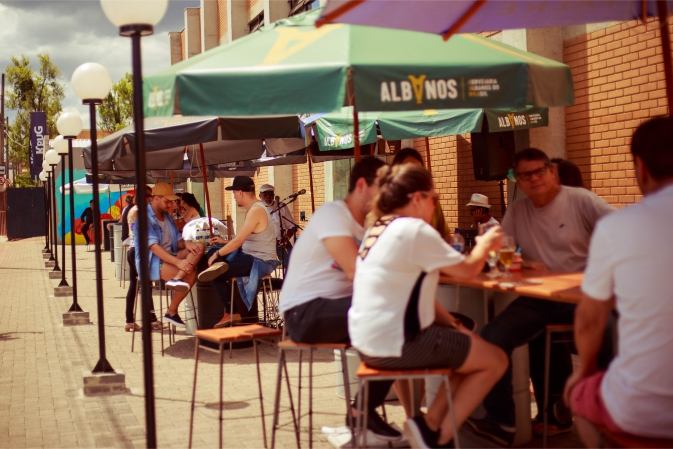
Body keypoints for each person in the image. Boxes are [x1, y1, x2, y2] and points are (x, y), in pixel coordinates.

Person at [349, 164, 507, 448]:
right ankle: (437, 436)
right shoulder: (414, 229)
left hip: (367, 342)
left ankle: (428, 425)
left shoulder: (379, 228)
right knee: (496, 360)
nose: (436, 205)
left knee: (467, 342)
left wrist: (455, 326)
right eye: (434, 198)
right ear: (417, 198)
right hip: (401, 343)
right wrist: (485, 244)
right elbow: (469, 270)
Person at [468, 148, 616, 445]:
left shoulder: (579, 200)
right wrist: (522, 259)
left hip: (582, 298)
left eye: (539, 171)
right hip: (540, 300)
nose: (534, 178)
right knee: (491, 336)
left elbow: (622, 229)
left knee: (610, 333)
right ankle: (503, 421)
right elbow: (500, 252)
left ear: (551, 172)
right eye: (525, 175)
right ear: (518, 182)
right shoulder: (518, 210)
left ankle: (611, 414)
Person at [563, 117, 673, 445]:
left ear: (640, 167)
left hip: (640, 412)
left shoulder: (616, 228)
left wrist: (586, 370)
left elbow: (590, 320)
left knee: (579, 394)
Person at [279, 157, 404, 441]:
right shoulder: (333, 214)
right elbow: (358, 273)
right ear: (362, 185)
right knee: (396, 320)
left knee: (400, 325)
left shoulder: (366, 228)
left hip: (337, 310)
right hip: (304, 312)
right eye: (384, 189)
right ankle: (362, 415)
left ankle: (364, 413)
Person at [198, 176, 279, 328]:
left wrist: (218, 254)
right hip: (249, 254)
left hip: (260, 260)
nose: (234, 197)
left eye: (234, 193)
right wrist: (222, 244)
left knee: (215, 272)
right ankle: (220, 264)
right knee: (212, 253)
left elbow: (239, 241)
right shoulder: (255, 209)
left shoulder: (256, 210)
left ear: (240, 192)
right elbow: (245, 240)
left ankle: (232, 312)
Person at [134, 182, 205, 327]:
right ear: (156, 199)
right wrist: (179, 263)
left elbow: (178, 241)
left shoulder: (168, 218)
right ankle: (171, 312)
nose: (170, 205)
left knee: (199, 245)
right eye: (167, 202)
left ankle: (177, 278)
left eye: (171, 202)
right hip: (152, 262)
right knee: (190, 274)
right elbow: (154, 247)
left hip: (171, 256)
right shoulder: (144, 218)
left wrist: (187, 244)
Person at [124, 187, 165, 331]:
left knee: (136, 286)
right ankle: (150, 320)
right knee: (144, 286)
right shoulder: (138, 211)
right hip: (137, 250)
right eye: (148, 196)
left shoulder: (135, 209)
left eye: (151, 196)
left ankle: (131, 320)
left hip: (133, 249)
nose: (150, 198)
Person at [391, 148, 450, 241]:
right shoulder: (388, 209)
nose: (414, 177)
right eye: (408, 172)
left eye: (418, 171)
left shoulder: (431, 202)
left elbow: (445, 237)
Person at [258, 184, 295, 268]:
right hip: (263, 244)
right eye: (265, 194)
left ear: (274, 195)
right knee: (263, 267)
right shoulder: (256, 209)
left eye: (270, 194)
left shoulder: (281, 206)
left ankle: (288, 280)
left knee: (292, 262)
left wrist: (285, 239)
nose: (268, 196)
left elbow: (291, 227)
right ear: (260, 196)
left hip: (281, 242)